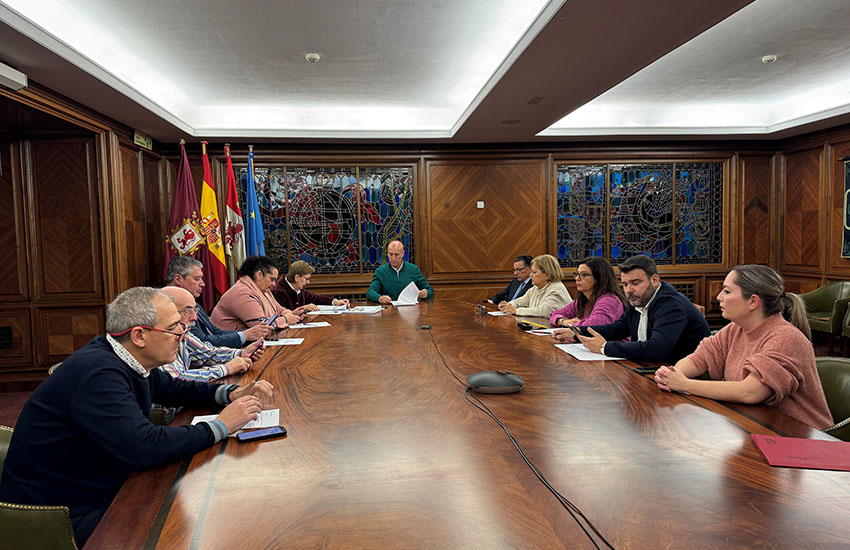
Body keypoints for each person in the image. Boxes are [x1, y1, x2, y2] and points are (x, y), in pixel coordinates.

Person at [0, 287, 274, 546]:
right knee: (197, 527)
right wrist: (221, 425)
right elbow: (144, 446)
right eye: (173, 328)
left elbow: (174, 389)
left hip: (99, 487)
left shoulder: (125, 357)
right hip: (61, 514)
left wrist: (230, 394)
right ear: (139, 335)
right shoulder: (99, 374)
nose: (183, 332)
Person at [654, 265, 833, 429]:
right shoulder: (736, 329)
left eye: (727, 291)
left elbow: (750, 392)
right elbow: (700, 357)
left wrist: (685, 384)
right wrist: (672, 375)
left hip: (800, 441)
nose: (719, 297)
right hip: (756, 427)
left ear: (753, 302)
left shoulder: (787, 338)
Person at [560, 255, 710, 363]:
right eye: (625, 284)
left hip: (684, 377)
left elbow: (657, 349)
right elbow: (618, 329)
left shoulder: (670, 304)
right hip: (653, 369)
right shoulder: (638, 298)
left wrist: (604, 347)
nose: (629, 290)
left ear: (655, 280)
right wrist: (577, 332)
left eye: (635, 283)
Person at [158, 287, 262, 383]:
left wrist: (241, 353)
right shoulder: (158, 338)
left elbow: (207, 353)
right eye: (187, 311)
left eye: (195, 310)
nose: (194, 317)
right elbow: (177, 380)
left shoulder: (183, 331)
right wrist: (226, 369)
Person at [166, 256, 273, 347]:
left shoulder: (194, 303)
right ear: (178, 279)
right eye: (197, 279)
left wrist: (247, 335)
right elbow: (202, 342)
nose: (203, 284)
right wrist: (245, 336)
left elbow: (214, 331)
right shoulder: (170, 307)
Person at [211, 256, 304, 331]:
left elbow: (279, 310)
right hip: (232, 348)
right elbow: (262, 326)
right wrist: (286, 319)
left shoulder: (263, 289)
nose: (274, 284)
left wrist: (293, 314)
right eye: (272, 279)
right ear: (259, 275)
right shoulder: (243, 293)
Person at [550, 257, 625, 328]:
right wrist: (563, 321)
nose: (577, 278)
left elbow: (592, 326)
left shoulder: (609, 300)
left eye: (584, 275)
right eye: (577, 274)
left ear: (599, 278)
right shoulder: (582, 301)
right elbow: (554, 314)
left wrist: (571, 325)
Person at [497, 254, 572, 317]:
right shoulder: (535, 288)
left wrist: (516, 311)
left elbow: (543, 311)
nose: (530, 275)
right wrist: (507, 305)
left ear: (547, 274)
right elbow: (520, 302)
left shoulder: (556, 289)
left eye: (534, 272)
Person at [366, 240, 433, 305]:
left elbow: (430, 290)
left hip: (410, 310)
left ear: (403, 254)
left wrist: (426, 293)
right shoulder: (381, 271)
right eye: (390, 254)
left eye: (396, 255)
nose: (393, 258)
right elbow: (370, 292)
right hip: (389, 310)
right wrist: (379, 298)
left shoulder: (413, 269)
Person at [271, 260, 350, 312]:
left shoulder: (298, 289)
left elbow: (315, 298)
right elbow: (284, 314)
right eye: (307, 279)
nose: (308, 282)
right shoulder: (278, 291)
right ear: (297, 277)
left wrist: (335, 302)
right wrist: (304, 309)